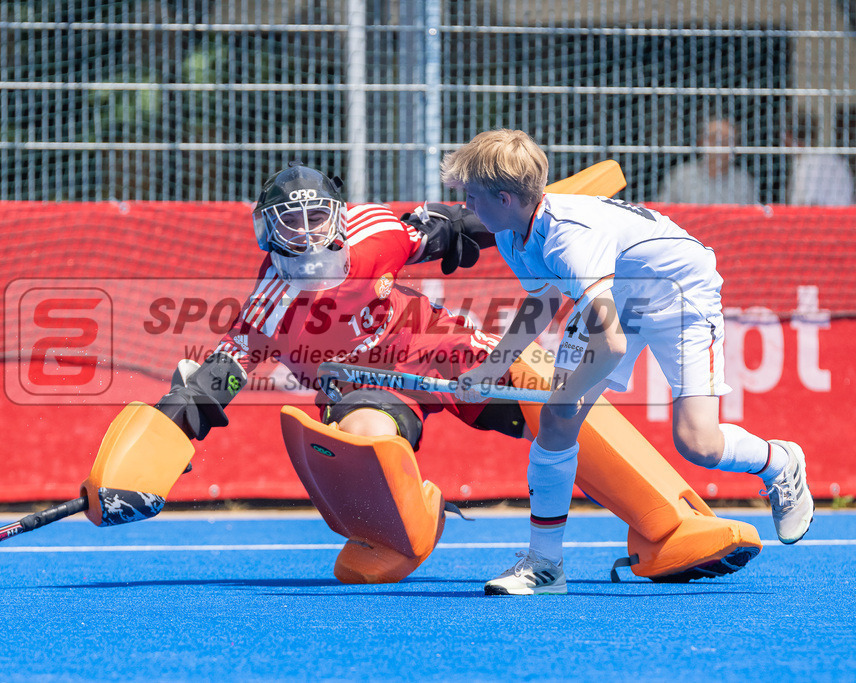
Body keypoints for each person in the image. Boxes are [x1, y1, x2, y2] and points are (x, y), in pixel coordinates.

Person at [152, 161, 764, 586]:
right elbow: (210, 386)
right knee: (362, 438)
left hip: (438, 346)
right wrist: (143, 463)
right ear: (269, 230)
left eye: (317, 219)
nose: (308, 234)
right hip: (364, 385)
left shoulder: (376, 233)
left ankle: (670, 526)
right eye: (292, 223)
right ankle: (398, 532)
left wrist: (538, 210)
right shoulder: (268, 307)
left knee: (548, 385)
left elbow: (458, 228)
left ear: (336, 217)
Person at [443, 129, 814, 596]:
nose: (467, 207)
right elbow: (542, 302)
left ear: (504, 198)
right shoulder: (512, 235)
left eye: (473, 197)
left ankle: (779, 461)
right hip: (618, 291)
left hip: (679, 293)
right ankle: (545, 566)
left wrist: (568, 392)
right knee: (556, 423)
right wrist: (491, 368)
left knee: (698, 443)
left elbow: (613, 343)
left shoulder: (569, 240)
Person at [657, 118, 760, 204]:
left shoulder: (743, 181)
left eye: (726, 141)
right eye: (713, 139)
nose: (719, 146)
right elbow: (664, 211)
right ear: (701, 142)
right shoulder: (682, 176)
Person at [785, 110, 854, 206]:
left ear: (792, 137)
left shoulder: (807, 163)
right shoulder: (835, 159)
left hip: (825, 213)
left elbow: (810, 204)